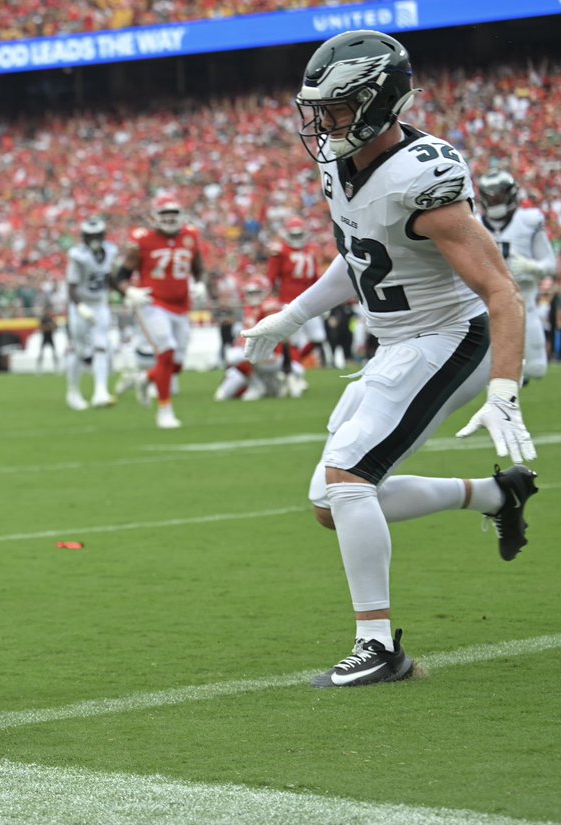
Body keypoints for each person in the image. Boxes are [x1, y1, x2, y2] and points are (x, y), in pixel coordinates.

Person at [244, 30, 538, 688]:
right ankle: (495, 493)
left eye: (339, 107)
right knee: (331, 502)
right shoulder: (335, 162)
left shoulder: (424, 175)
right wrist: (295, 313)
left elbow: (501, 292)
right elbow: (363, 253)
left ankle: (379, 647)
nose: (322, 123)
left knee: (350, 478)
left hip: (450, 338)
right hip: (397, 341)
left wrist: (504, 388)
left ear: (380, 102)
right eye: (318, 108)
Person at [117, 193, 206, 429]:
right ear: (155, 217)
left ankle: (145, 378)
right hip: (152, 303)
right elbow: (119, 276)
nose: (169, 218)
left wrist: (200, 283)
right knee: (166, 353)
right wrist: (129, 292)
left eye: (173, 213)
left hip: (181, 305)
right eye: (164, 214)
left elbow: (198, 268)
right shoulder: (142, 240)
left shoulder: (190, 235)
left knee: (176, 364)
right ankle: (164, 411)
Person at [477, 169, 556, 383]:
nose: (494, 201)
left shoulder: (529, 221)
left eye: (499, 196)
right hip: (485, 307)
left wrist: (530, 267)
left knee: (537, 368)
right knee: (483, 372)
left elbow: (550, 265)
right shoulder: (473, 223)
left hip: (525, 303)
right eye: (490, 196)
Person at [266, 216, 325, 395]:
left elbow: (316, 279)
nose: (298, 238)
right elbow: (271, 278)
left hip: (309, 300)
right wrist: (271, 299)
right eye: (294, 234)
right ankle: (295, 374)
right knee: (294, 342)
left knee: (318, 337)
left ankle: (293, 367)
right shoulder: (281, 252)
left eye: (300, 234)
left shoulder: (310, 251)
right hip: (288, 302)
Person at [64, 217, 119, 410]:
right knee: (79, 350)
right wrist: (80, 307)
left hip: (100, 303)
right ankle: (73, 392)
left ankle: (101, 391)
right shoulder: (78, 255)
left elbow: (109, 277)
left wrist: (126, 292)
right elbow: (71, 286)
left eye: (97, 235)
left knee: (101, 345)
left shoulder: (111, 251)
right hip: (81, 304)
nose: (94, 239)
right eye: (90, 236)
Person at [36, 305, 59, 374]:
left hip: (50, 337)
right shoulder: (43, 319)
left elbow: (55, 327)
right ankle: (39, 368)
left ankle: (56, 367)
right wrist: (49, 327)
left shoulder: (51, 319)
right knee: (41, 353)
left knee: (54, 353)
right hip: (45, 337)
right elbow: (41, 328)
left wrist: (50, 327)